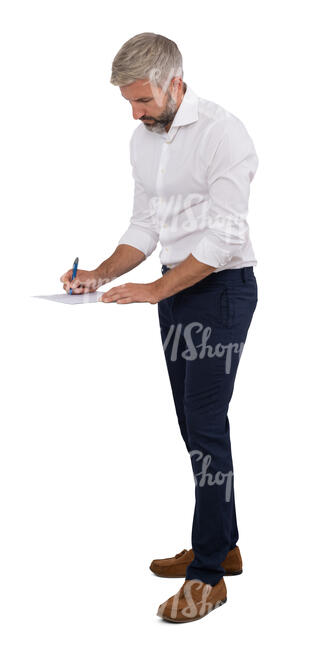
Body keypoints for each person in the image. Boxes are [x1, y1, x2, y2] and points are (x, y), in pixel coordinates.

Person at [60, 32, 259, 623]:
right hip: (176, 295)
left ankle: (208, 578)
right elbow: (144, 224)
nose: (135, 113)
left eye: (143, 101)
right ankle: (221, 546)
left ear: (175, 82)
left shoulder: (225, 134)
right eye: (128, 102)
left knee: (204, 432)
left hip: (221, 293)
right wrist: (100, 272)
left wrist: (154, 289)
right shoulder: (143, 141)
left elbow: (225, 237)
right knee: (195, 429)